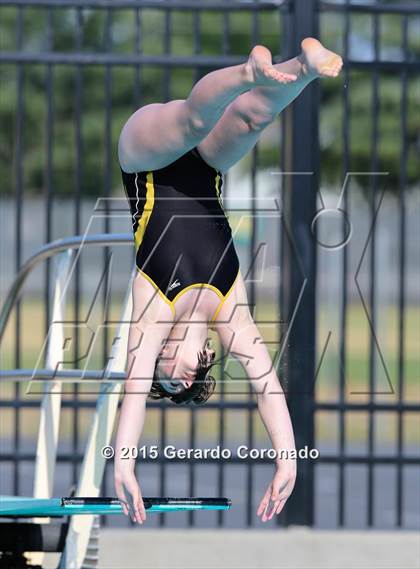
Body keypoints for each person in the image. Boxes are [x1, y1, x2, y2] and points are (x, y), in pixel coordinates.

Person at [114, 38, 343, 524]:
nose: (171, 374)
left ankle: (246, 71)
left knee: (191, 121)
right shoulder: (228, 310)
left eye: (163, 374)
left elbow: (133, 390)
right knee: (252, 118)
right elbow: (266, 385)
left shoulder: (155, 305)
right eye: (182, 382)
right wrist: (287, 457)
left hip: (145, 160)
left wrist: (124, 466)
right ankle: (303, 65)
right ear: (205, 360)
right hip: (205, 169)